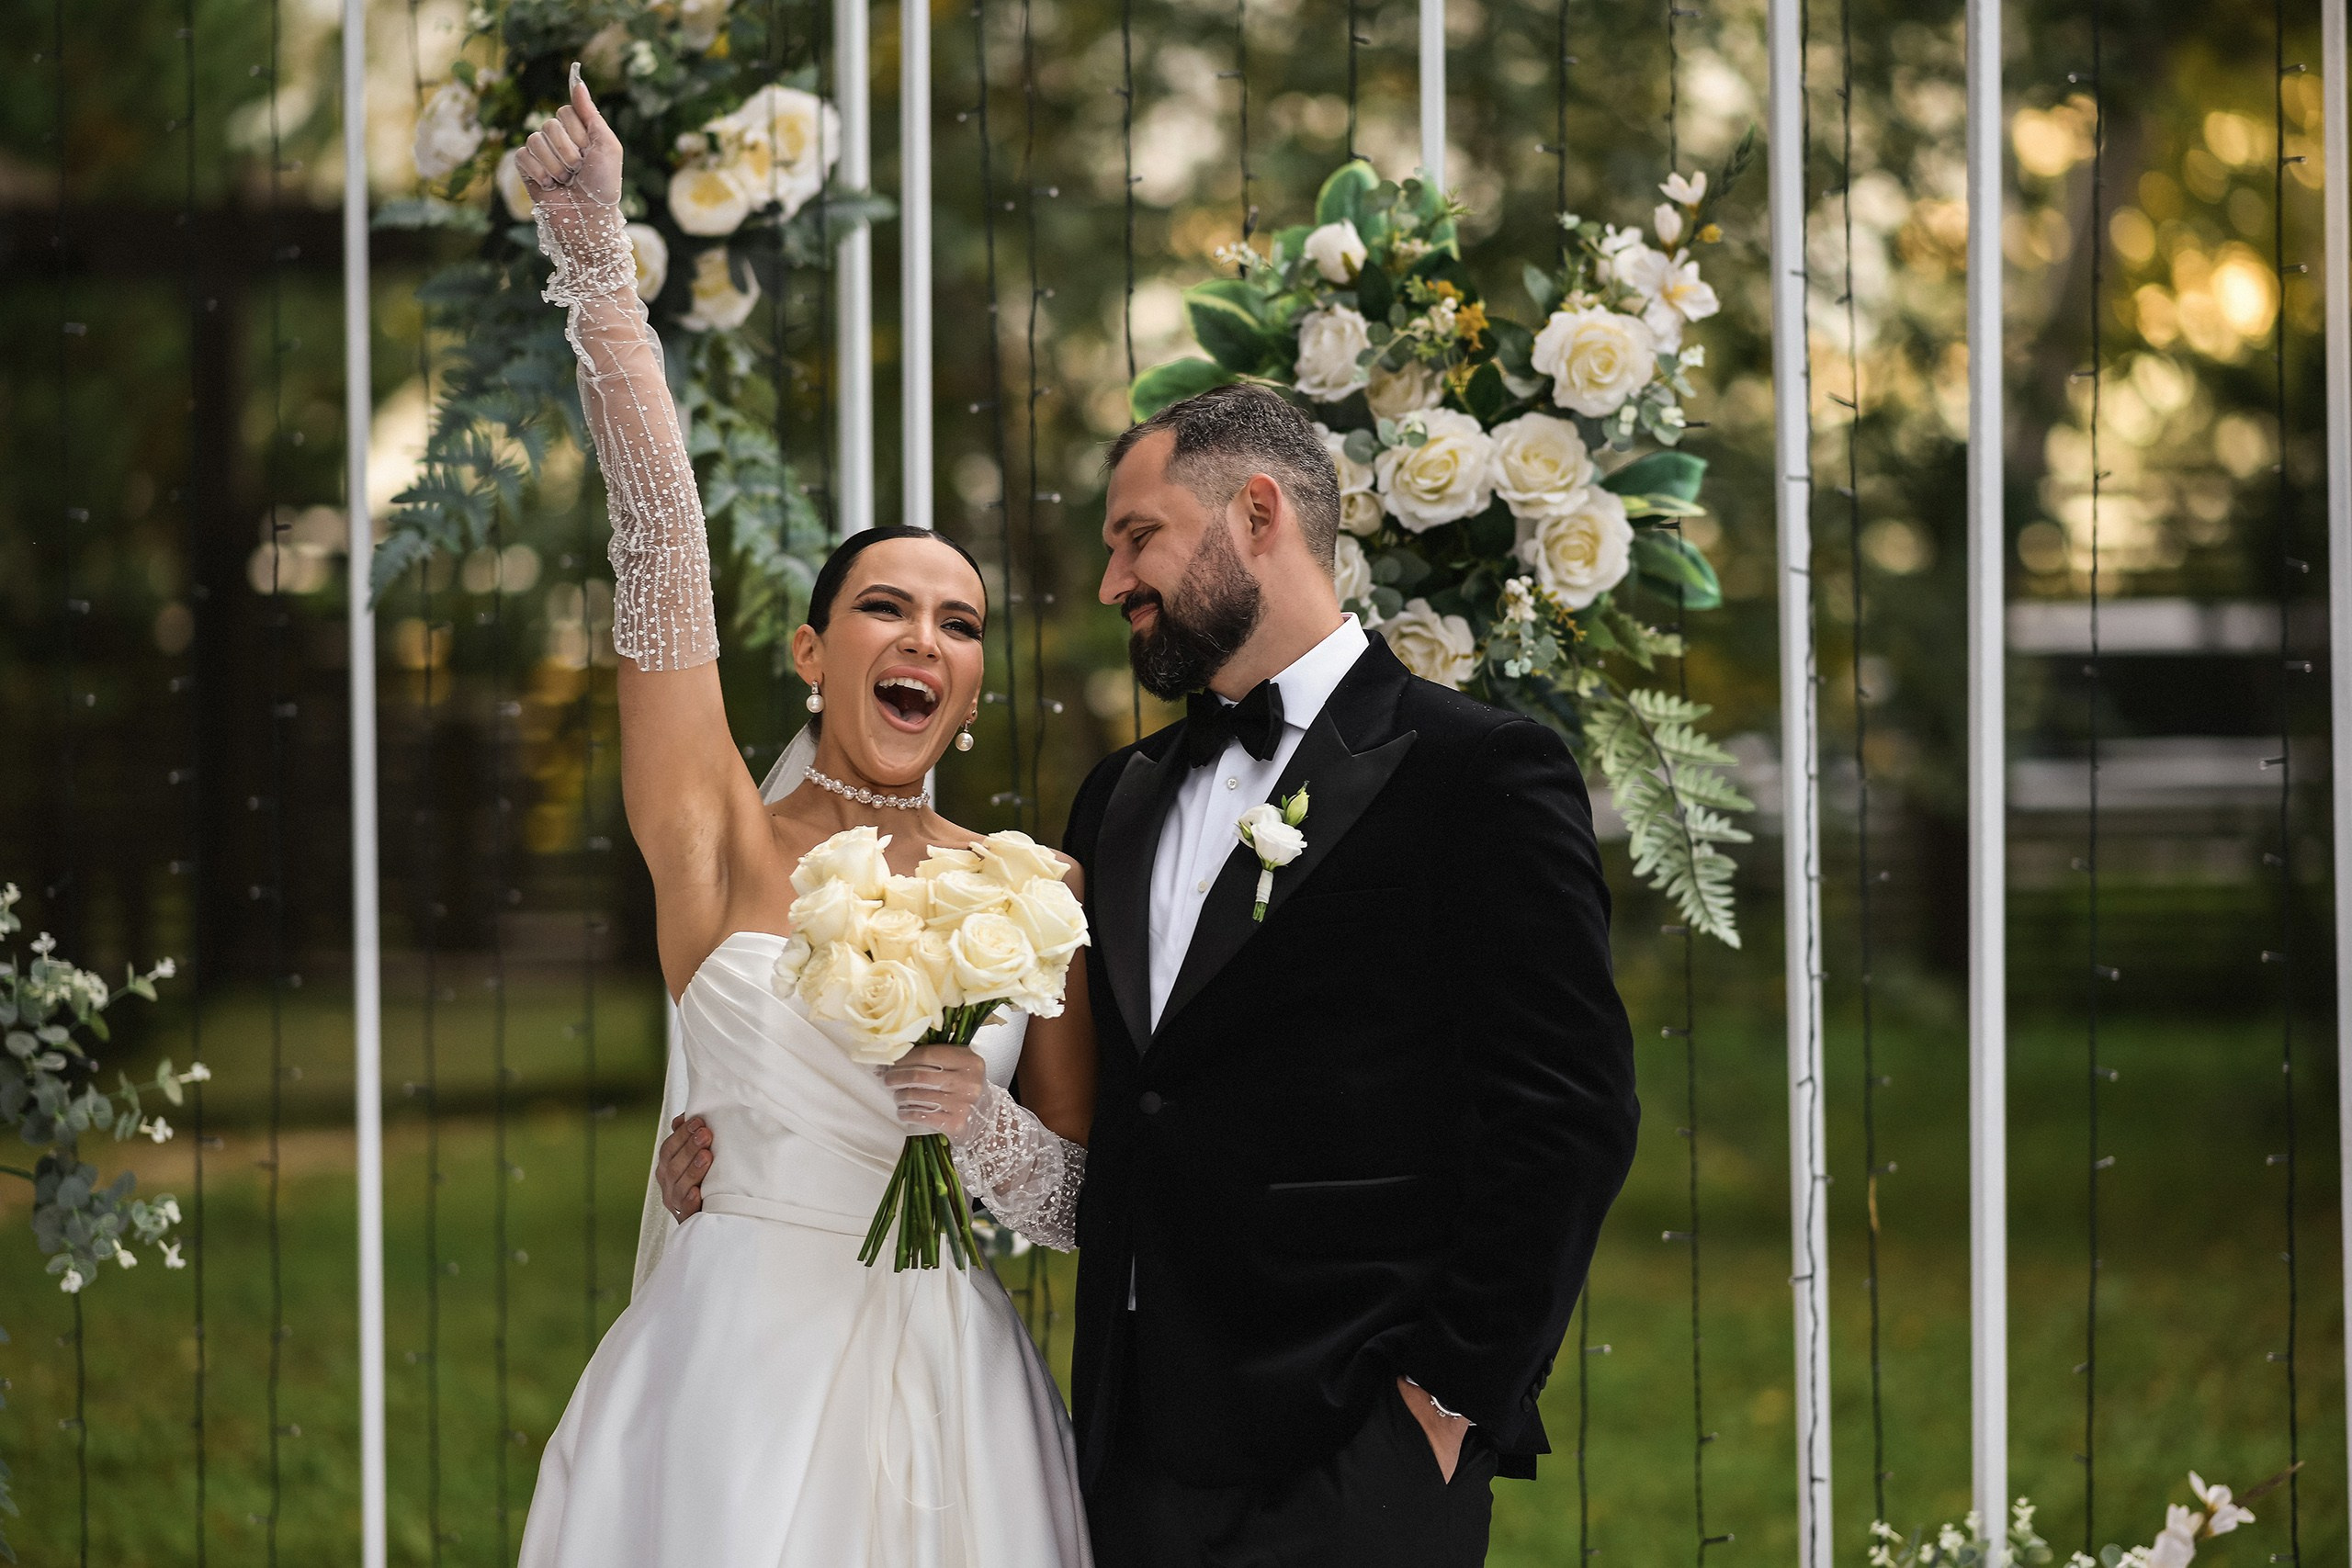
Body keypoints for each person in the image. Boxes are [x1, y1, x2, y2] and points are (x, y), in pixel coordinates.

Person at [667, 378, 1642, 1565]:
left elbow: (1570, 1114)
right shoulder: (1116, 802)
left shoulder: (1479, 774)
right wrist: (764, 1128)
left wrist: (1446, 1401)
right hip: (1127, 1461)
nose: (1111, 581)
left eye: (1140, 539)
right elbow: (1087, 1119)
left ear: (1258, 515)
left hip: (1357, 1459)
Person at [509, 77, 1097, 1567]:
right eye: (884, 608)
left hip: (953, 1380)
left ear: (971, 685)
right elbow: (658, 536)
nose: (923, 639)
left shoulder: (1036, 895)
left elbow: (1088, 1198)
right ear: (812, 649)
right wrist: (600, 265)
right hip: (734, 1366)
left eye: (958, 624)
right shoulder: (721, 841)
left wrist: (988, 1133)